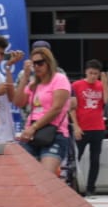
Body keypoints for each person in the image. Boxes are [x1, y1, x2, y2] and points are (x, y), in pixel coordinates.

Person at [12, 45, 72, 176]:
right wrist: (25, 77)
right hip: (32, 133)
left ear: (49, 63)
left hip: (54, 132)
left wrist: (34, 127)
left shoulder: (59, 79)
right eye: (34, 64)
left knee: (46, 176)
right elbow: (18, 102)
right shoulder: (34, 83)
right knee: (23, 175)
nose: (37, 66)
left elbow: (56, 108)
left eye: (40, 63)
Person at [71, 59, 108, 195]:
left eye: (96, 74)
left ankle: (91, 188)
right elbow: (71, 108)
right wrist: (76, 126)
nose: (93, 76)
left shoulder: (101, 85)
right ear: (86, 71)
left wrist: (104, 83)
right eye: (91, 73)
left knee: (95, 159)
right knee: (76, 158)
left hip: (98, 127)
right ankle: (72, 186)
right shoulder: (76, 85)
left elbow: (107, 101)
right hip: (82, 127)